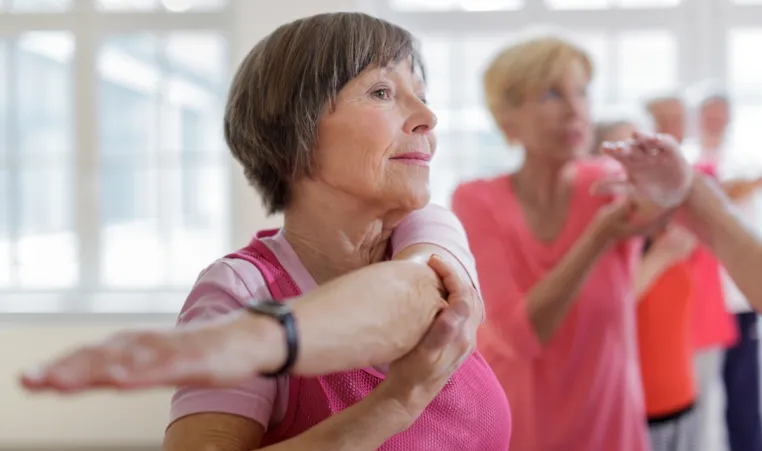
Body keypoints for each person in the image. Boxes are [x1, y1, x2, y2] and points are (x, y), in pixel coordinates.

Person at [21, 13, 513, 451]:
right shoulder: (238, 291)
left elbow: (415, 291)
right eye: (382, 92)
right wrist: (391, 407)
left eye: (422, 96)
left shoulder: (429, 226)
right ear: (294, 129)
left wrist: (261, 340)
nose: (428, 118)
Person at [449, 36, 666, 451]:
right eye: (551, 94)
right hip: (520, 428)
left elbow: (665, 207)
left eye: (582, 92)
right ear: (506, 118)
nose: (576, 110)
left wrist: (663, 180)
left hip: (610, 426)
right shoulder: (475, 201)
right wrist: (599, 236)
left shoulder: (608, 183)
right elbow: (520, 334)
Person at [646, 94, 737, 451]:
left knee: (700, 412)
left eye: (679, 118)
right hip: (660, 313)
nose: (674, 126)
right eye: (665, 118)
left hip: (699, 305)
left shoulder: (700, 173)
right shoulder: (645, 182)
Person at [693, 87, 762, 451]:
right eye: (709, 112)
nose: (715, 119)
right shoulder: (688, 157)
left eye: (721, 112)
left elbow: (728, 192)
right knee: (700, 393)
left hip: (740, 296)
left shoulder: (743, 157)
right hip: (701, 298)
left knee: (743, 390)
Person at [635, 223, 698, 451]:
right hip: (641, 410)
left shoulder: (681, 244)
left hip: (684, 399)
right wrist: (663, 253)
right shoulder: (628, 250)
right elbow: (621, 297)